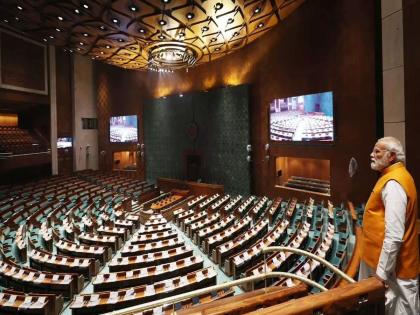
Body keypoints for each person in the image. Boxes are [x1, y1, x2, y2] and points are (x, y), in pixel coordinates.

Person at [359, 136, 419, 315]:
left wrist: (381, 274)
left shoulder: (393, 183)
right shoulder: (394, 176)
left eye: (377, 151)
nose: (371, 155)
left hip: (395, 270)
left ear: (391, 156)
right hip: (388, 266)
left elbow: (394, 235)